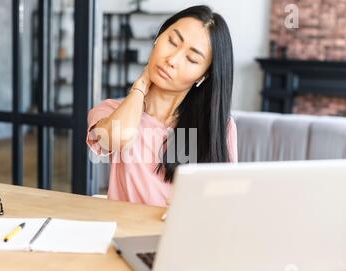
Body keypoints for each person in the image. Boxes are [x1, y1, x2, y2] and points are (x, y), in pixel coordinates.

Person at [86, 5, 238, 207]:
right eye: (172, 42)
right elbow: (117, 138)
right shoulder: (112, 110)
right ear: (158, 38)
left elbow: (225, 200)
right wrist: (140, 86)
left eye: (192, 59)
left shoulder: (219, 127)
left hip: (182, 234)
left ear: (203, 75)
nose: (172, 60)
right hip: (125, 233)